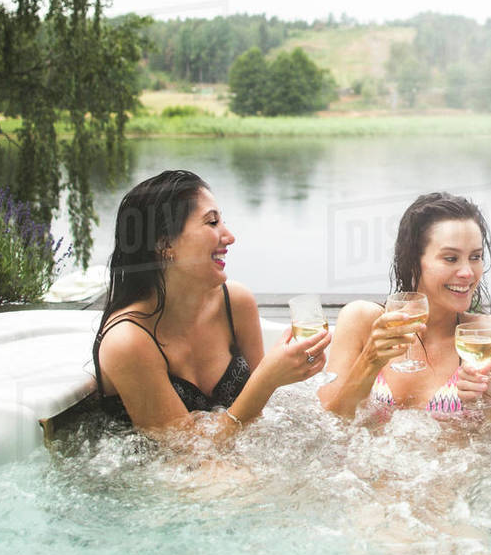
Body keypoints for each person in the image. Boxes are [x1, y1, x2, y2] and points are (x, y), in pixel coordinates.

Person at [92, 170, 331, 435]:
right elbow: (186, 452)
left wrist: (281, 375)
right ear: (165, 243)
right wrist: (267, 380)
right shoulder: (128, 341)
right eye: (212, 222)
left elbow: (259, 421)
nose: (229, 237)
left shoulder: (236, 304)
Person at [319, 192, 491, 420]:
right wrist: (369, 361)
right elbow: (327, 425)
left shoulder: (489, 337)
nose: (467, 272)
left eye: (475, 257)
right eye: (451, 258)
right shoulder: (362, 321)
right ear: (414, 262)